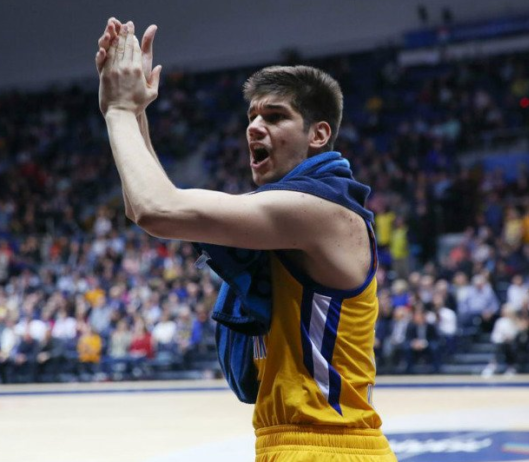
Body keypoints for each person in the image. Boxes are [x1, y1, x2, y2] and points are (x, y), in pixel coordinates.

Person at [96, 18, 397, 462]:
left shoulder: (318, 211)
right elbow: (145, 204)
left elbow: (156, 209)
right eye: (252, 116)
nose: (254, 126)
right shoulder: (299, 212)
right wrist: (136, 112)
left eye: (275, 116)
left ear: (319, 134)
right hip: (299, 443)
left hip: (325, 445)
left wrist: (120, 111)